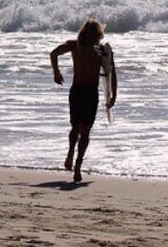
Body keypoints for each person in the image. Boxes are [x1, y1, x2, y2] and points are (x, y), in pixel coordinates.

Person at [49, 19, 117, 182]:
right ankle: (71, 152)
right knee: (76, 128)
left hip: (91, 93)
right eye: (95, 35)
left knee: (85, 130)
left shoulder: (102, 51)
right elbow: (54, 53)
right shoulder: (74, 46)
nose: (97, 39)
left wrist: (113, 95)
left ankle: (78, 165)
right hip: (78, 90)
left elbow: (111, 73)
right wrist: (56, 73)